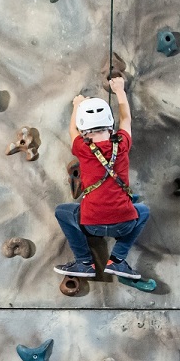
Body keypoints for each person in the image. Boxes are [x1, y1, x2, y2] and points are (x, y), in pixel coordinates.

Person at [54, 76, 148, 281]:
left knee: (62, 211)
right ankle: (118, 259)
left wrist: (77, 105)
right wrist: (120, 90)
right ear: (110, 125)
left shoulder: (82, 147)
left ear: (83, 130)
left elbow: (72, 130)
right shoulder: (122, 144)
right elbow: (126, 119)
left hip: (91, 225)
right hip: (124, 223)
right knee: (143, 210)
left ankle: (84, 263)